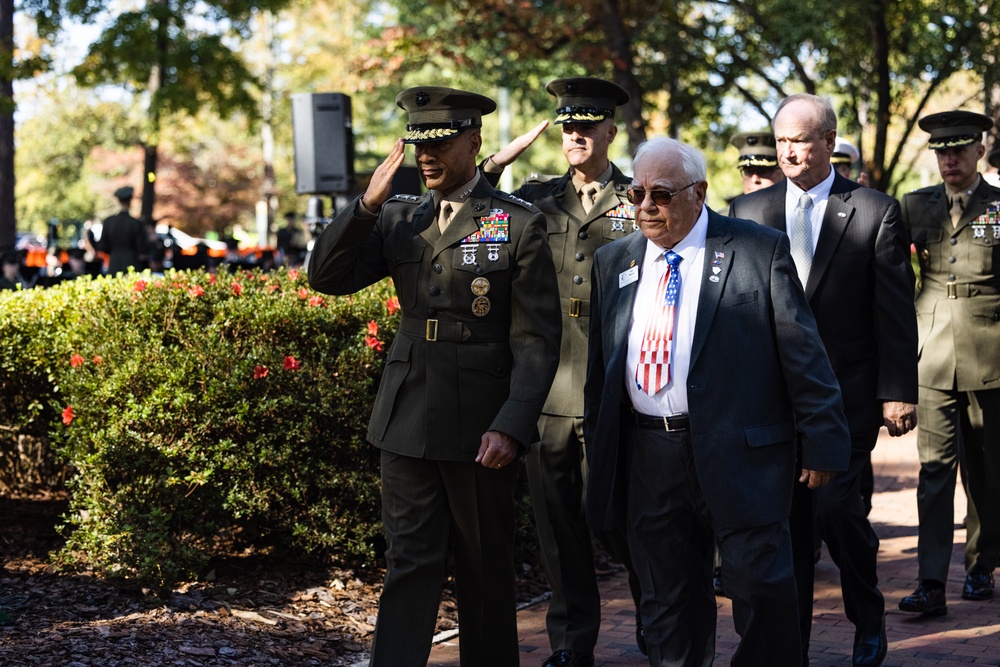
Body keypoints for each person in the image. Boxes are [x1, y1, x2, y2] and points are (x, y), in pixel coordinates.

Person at [308, 86, 561, 667]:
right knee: (410, 563)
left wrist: (511, 426)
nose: (426, 156)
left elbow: (538, 341)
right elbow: (324, 275)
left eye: (440, 144)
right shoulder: (399, 218)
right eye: (419, 144)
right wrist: (365, 206)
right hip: (407, 416)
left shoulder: (517, 224)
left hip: (481, 425)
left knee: (484, 569)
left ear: (474, 142)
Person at [585, 135, 850, 667]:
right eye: (635, 194)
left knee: (761, 593)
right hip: (649, 455)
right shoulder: (612, 261)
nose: (644, 206)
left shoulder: (757, 248)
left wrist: (823, 441)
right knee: (665, 601)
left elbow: (804, 353)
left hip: (741, 453)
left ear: (699, 191)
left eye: (660, 194)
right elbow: (601, 368)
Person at [729, 94, 917, 667]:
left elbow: (894, 310)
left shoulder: (873, 210)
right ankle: (795, 648)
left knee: (837, 510)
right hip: (772, 400)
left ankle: (868, 611)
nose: (788, 150)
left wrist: (898, 390)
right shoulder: (747, 211)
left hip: (847, 396)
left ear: (828, 142)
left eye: (801, 139)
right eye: (782, 139)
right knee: (789, 529)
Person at [482, 76, 642, 667]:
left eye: (586, 126)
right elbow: (473, 199)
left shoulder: (639, 194)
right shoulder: (535, 197)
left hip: (617, 382)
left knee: (624, 517)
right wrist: (498, 158)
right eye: (567, 126)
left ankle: (654, 612)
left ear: (609, 131)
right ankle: (573, 643)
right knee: (558, 530)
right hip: (548, 384)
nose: (575, 135)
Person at [897, 110, 1000, 614]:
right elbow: (893, 282)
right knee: (934, 469)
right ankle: (930, 580)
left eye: (959, 148)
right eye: (941, 151)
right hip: (932, 352)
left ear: (980, 150)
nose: (950, 158)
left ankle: (981, 566)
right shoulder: (915, 206)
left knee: (986, 468)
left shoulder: (999, 207)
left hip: (991, 351)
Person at [96, 186, 148, 274]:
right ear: (130, 200)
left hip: (114, 263)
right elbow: (142, 247)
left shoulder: (109, 222)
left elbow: (103, 246)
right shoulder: (135, 223)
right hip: (132, 263)